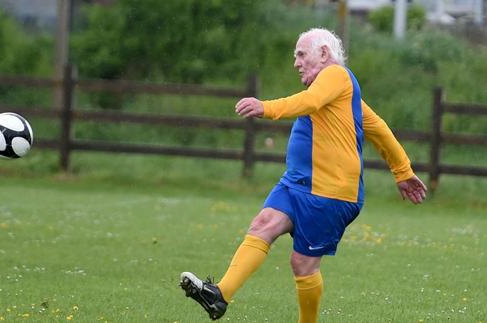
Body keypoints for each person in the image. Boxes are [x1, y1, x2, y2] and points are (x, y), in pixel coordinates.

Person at [179, 28, 427, 322]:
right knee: (263, 224)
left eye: (301, 54)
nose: (296, 62)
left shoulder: (336, 76)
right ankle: (218, 295)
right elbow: (380, 129)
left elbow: (311, 103)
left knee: (303, 264)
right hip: (297, 183)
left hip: (331, 192)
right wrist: (402, 171)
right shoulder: (336, 95)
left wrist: (265, 107)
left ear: (323, 54)